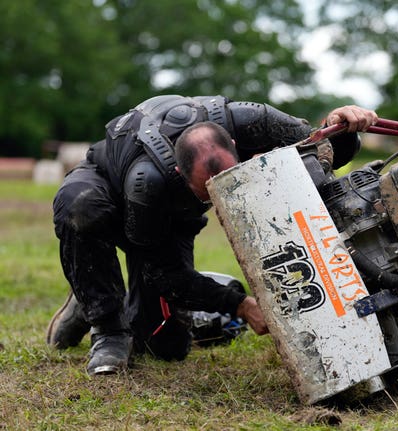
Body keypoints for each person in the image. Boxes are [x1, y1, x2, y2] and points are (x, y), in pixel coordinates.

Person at [46, 94, 378, 375]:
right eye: (208, 191)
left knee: (163, 346)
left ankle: (90, 293)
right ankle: (104, 318)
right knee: (82, 208)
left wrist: (343, 125)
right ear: (180, 173)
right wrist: (241, 305)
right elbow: (164, 273)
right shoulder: (150, 181)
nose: (219, 199)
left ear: (234, 144)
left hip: (171, 218)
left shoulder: (253, 121)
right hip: (110, 190)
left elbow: (320, 152)